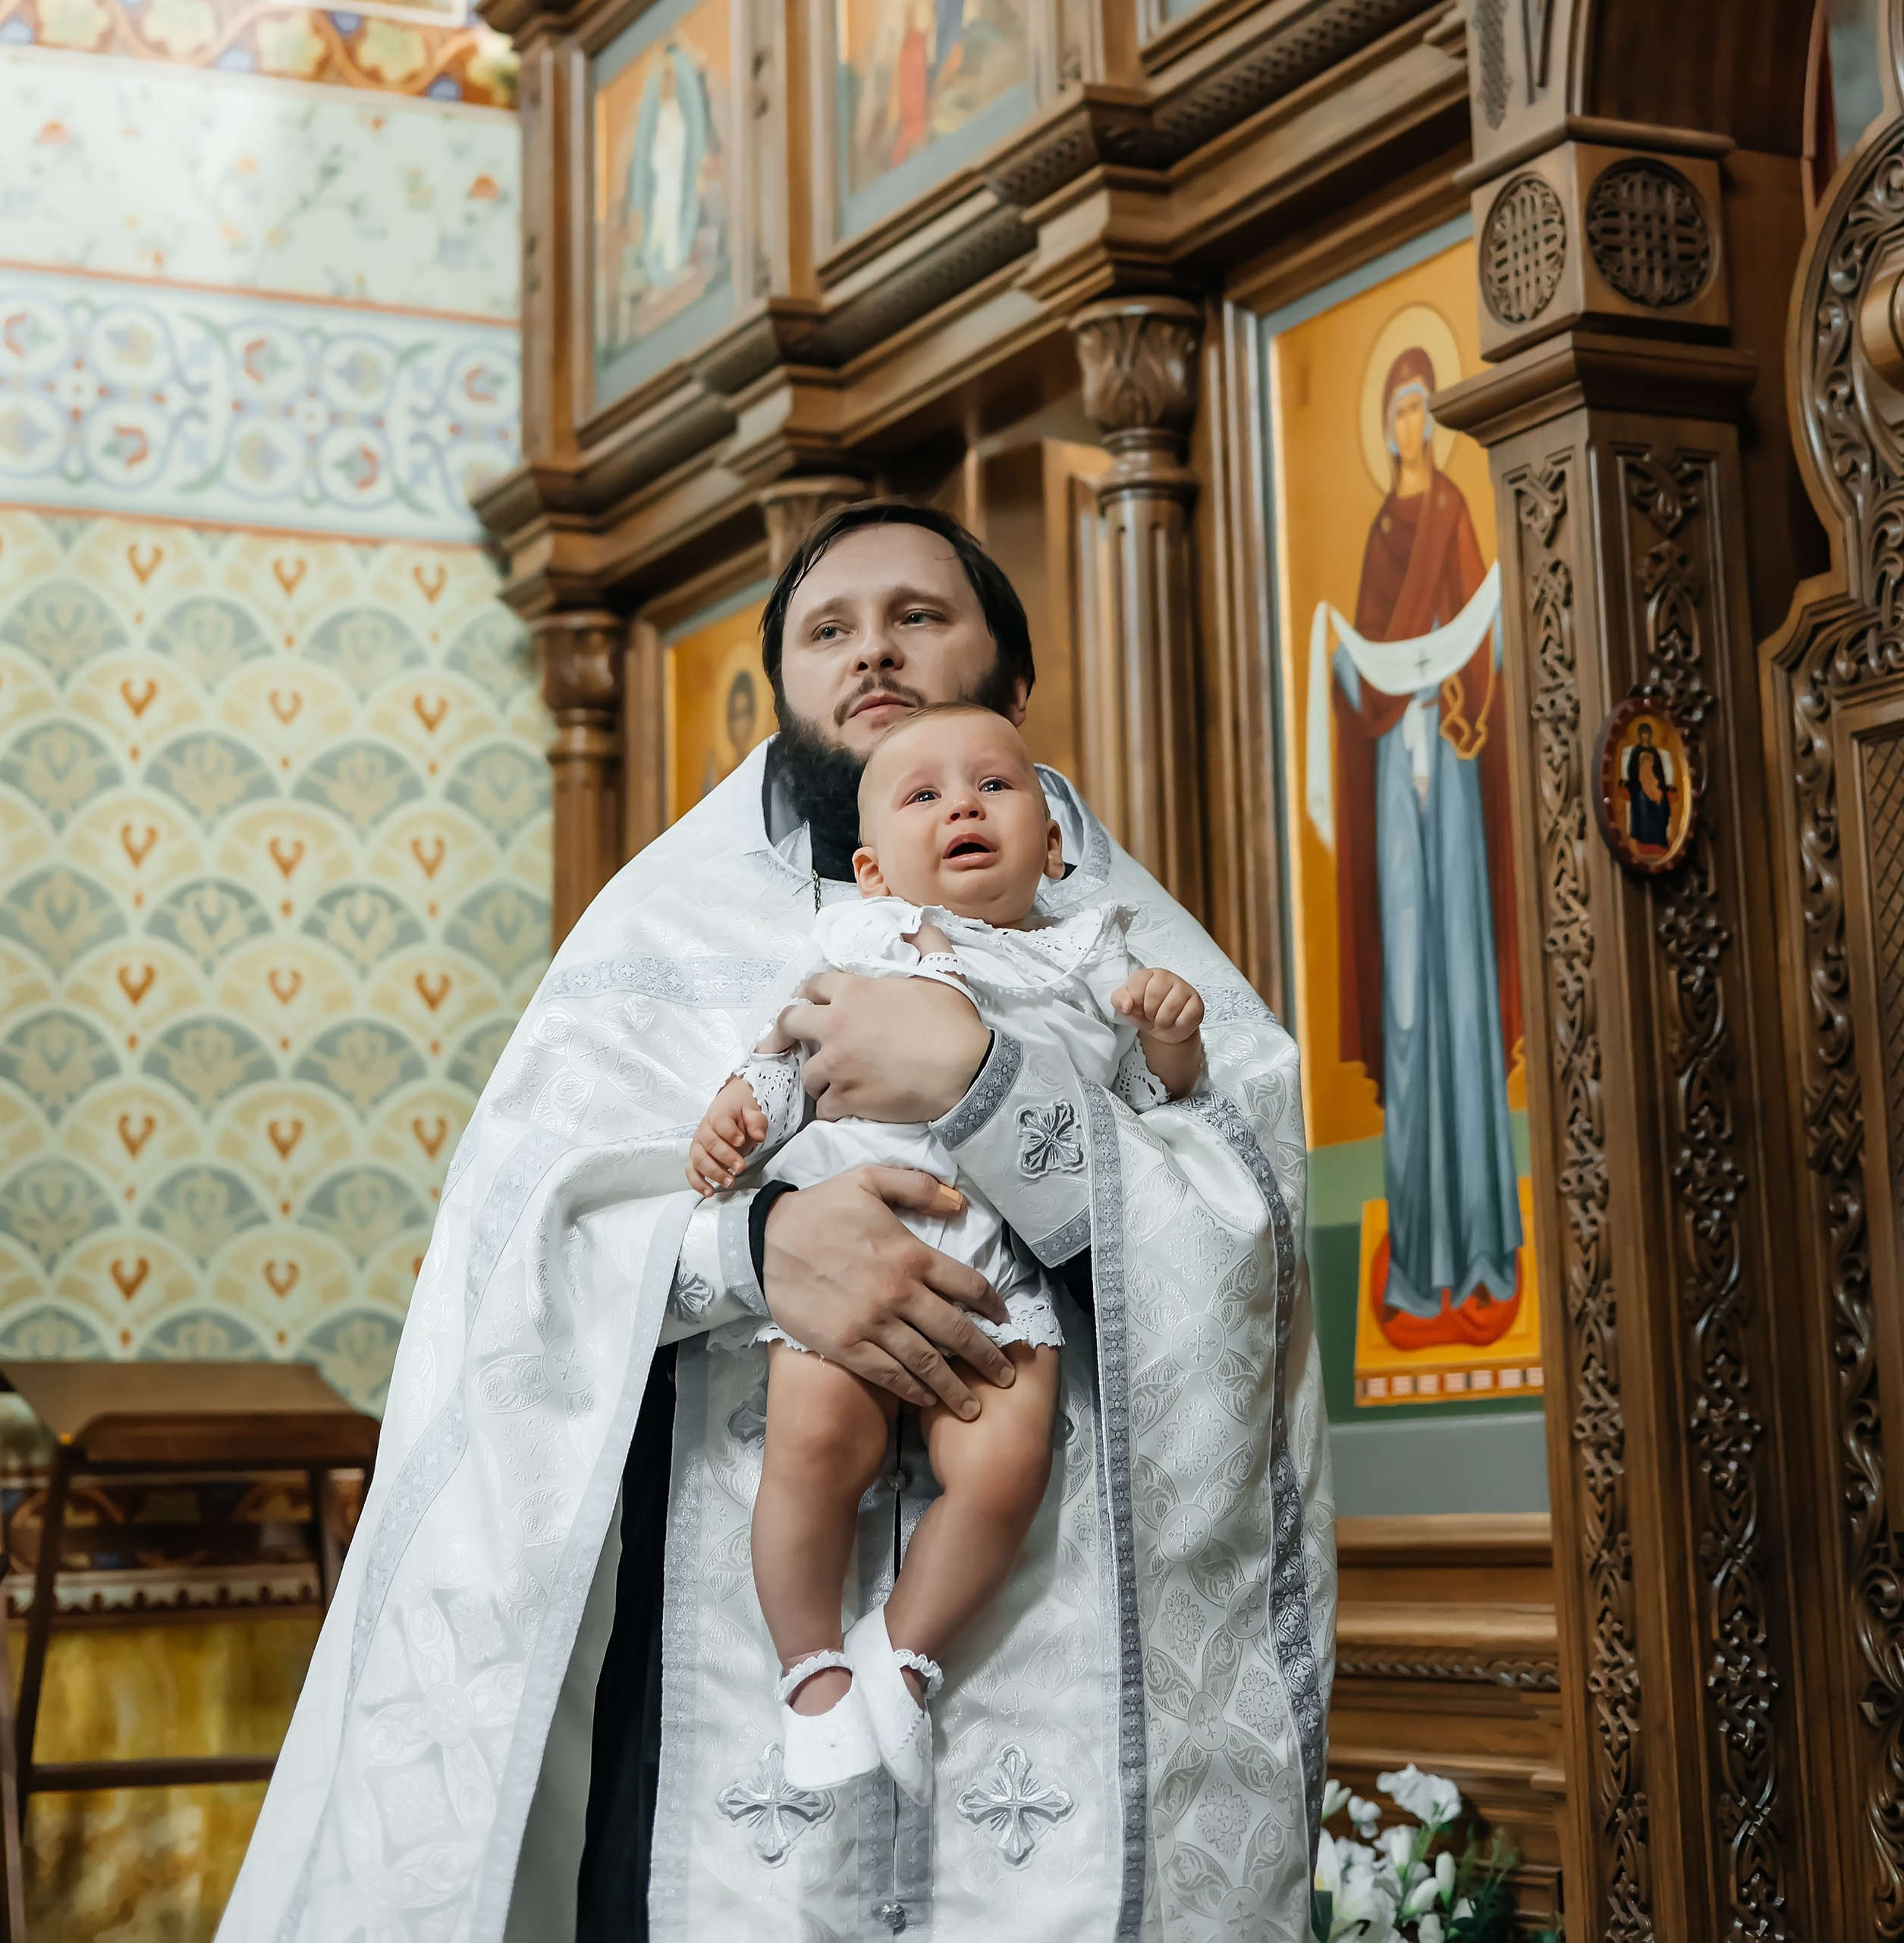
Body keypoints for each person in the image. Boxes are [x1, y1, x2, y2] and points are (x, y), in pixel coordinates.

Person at [221, 501, 1331, 1943]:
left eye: (922, 616)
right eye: (830, 627)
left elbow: (1245, 1245)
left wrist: (987, 1089)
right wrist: (756, 1248)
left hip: (1055, 1662)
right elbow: (516, 1249)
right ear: (784, 688)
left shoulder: (1120, 938)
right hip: (709, 1695)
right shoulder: (658, 930)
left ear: (1007, 671)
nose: (874, 647)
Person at [688, 703, 1205, 1799]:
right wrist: (742, 1108)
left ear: (1053, 845)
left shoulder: (1092, 956)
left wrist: (1167, 1035)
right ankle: (809, 1666)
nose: (963, 804)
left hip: (999, 1267)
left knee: (1006, 1467)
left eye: (994, 787)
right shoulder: (856, 940)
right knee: (815, 1450)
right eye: (924, 796)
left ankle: (904, 1654)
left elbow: (1148, 1116)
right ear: (872, 871)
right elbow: (787, 1050)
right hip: (856, 1226)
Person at [1307, 353, 1522, 1326]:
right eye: (1395, 409)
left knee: (1463, 993)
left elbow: (1482, 632)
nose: (1407, 423)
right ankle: (1413, 1257)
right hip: (1397, 777)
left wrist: (1456, 697)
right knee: (1407, 1003)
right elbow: (1362, 673)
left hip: (1457, 768)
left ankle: (1481, 1246)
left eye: (1419, 408)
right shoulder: (1382, 531)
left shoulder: (1451, 514)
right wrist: (1352, 672)